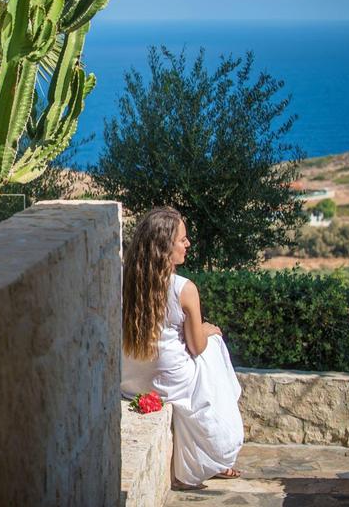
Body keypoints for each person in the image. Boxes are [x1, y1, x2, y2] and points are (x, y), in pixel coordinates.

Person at [120, 207, 244, 489]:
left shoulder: (123, 280)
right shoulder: (183, 288)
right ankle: (218, 454)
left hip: (129, 381)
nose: (188, 244)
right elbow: (196, 347)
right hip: (171, 383)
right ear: (165, 246)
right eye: (182, 239)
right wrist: (207, 331)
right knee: (213, 347)